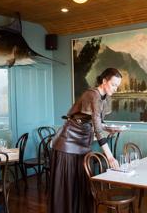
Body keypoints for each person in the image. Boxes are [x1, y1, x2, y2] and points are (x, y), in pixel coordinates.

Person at [48, 68, 122, 213]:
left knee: (82, 183)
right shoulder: (93, 95)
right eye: (113, 84)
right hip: (68, 142)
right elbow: (97, 128)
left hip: (83, 142)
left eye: (117, 86)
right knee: (69, 185)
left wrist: (109, 129)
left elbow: (97, 124)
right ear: (104, 81)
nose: (115, 88)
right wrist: (110, 156)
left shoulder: (105, 97)